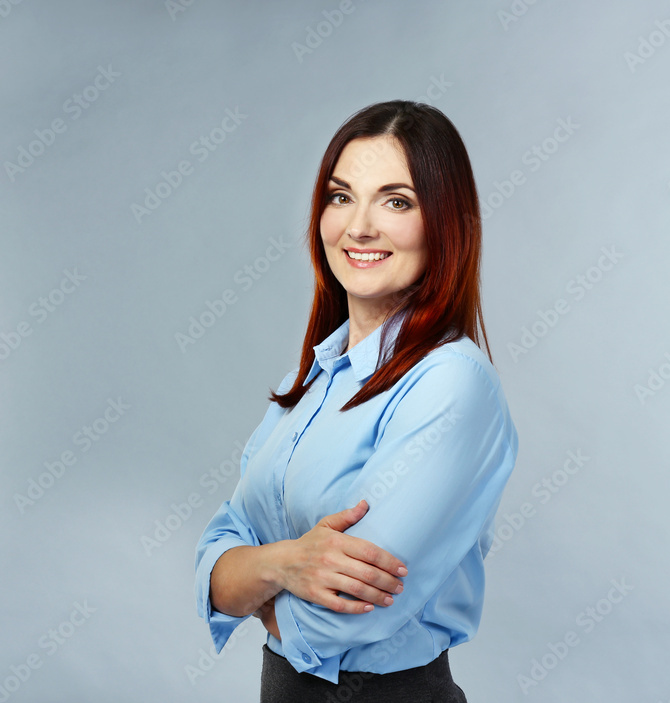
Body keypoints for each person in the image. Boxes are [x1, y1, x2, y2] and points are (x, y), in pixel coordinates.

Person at [194, 100, 519, 702]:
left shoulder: (452, 384)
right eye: (341, 196)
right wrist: (286, 565)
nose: (359, 226)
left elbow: (355, 608)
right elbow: (215, 558)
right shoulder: (313, 375)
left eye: (396, 201)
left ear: (444, 221)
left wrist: (258, 586)